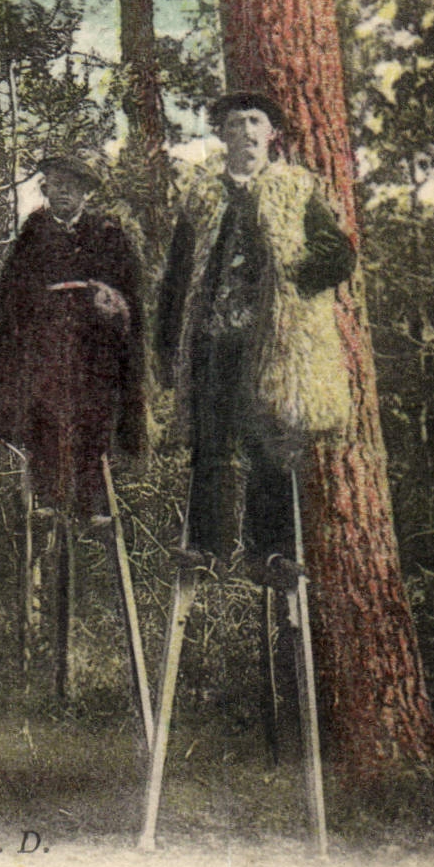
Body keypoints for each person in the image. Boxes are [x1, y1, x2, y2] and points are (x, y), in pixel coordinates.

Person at [155, 91, 355, 584]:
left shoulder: (295, 188)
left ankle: (270, 553)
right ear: (220, 135)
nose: (244, 132)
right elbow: (177, 277)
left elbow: (338, 255)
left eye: (254, 122)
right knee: (211, 446)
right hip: (210, 341)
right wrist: (165, 348)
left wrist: (291, 280)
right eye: (233, 123)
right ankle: (206, 549)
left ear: (271, 134)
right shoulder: (202, 195)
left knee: (268, 447)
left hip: (271, 345)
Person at [0, 153, 145, 521]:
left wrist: (113, 302)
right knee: (45, 412)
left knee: (92, 415)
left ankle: (91, 502)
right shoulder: (32, 234)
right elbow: (10, 292)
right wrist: (28, 313)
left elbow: (129, 291)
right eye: (56, 186)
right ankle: (48, 497)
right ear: (45, 189)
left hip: (94, 344)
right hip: (46, 343)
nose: (63, 194)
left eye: (71, 188)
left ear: (86, 194)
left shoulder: (107, 233)